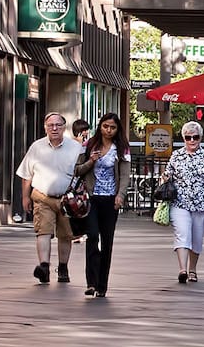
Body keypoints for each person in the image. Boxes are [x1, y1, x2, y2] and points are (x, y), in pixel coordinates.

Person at [16, 112, 83, 284]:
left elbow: (83, 173)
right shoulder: (36, 147)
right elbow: (26, 174)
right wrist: (25, 197)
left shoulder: (75, 148)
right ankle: (44, 266)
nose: (54, 128)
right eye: (50, 125)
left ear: (64, 127)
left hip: (67, 199)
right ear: (45, 127)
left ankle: (62, 267)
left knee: (65, 235)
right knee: (43, 231)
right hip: (42, 196)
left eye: (58, 125)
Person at [74, 113, 129, 298]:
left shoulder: (121, 148)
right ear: (100, 127)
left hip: (111, 200)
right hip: (91, 198)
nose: (108, 130)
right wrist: (92, 160)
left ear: (117, 129)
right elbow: (77, 169)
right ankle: (91, 282)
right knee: (92, 236)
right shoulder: (89, 145)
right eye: (105, 126)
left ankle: (102, 285)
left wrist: (120, 195)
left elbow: (125, 175)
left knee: (107, 242)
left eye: (112, 127)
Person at [165, 120, 204, 284]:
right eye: (188, 137)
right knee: (182, 233)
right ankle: (182, 269)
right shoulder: (177, 155)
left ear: (200, 138)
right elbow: (168, 172)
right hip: (180, 202)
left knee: (196, 237)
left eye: (195, 137)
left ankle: (193, 270)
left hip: (201, 204)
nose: (192, 141)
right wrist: (165, 178)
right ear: (183, 138)